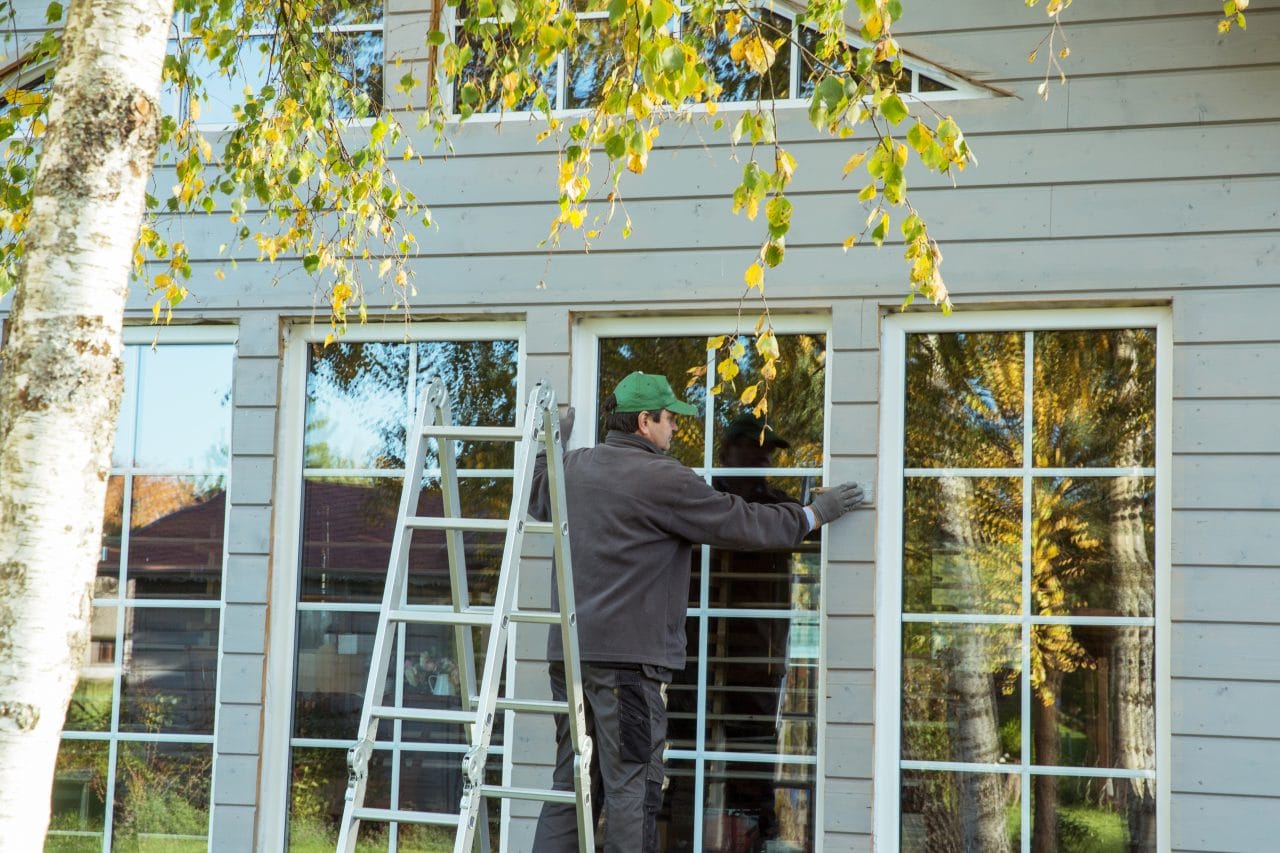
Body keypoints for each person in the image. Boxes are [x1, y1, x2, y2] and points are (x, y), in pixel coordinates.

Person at [529, 371, 863, 853]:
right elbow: (742, 523)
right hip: (628, 670)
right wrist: (814, 514)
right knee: (632, 787)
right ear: (645, 422)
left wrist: (549, 442)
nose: (676, 430)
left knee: (573, 784)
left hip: (570, 658)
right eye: (670, 420)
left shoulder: (575, 469)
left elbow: (539, 491)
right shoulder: (664, 480)